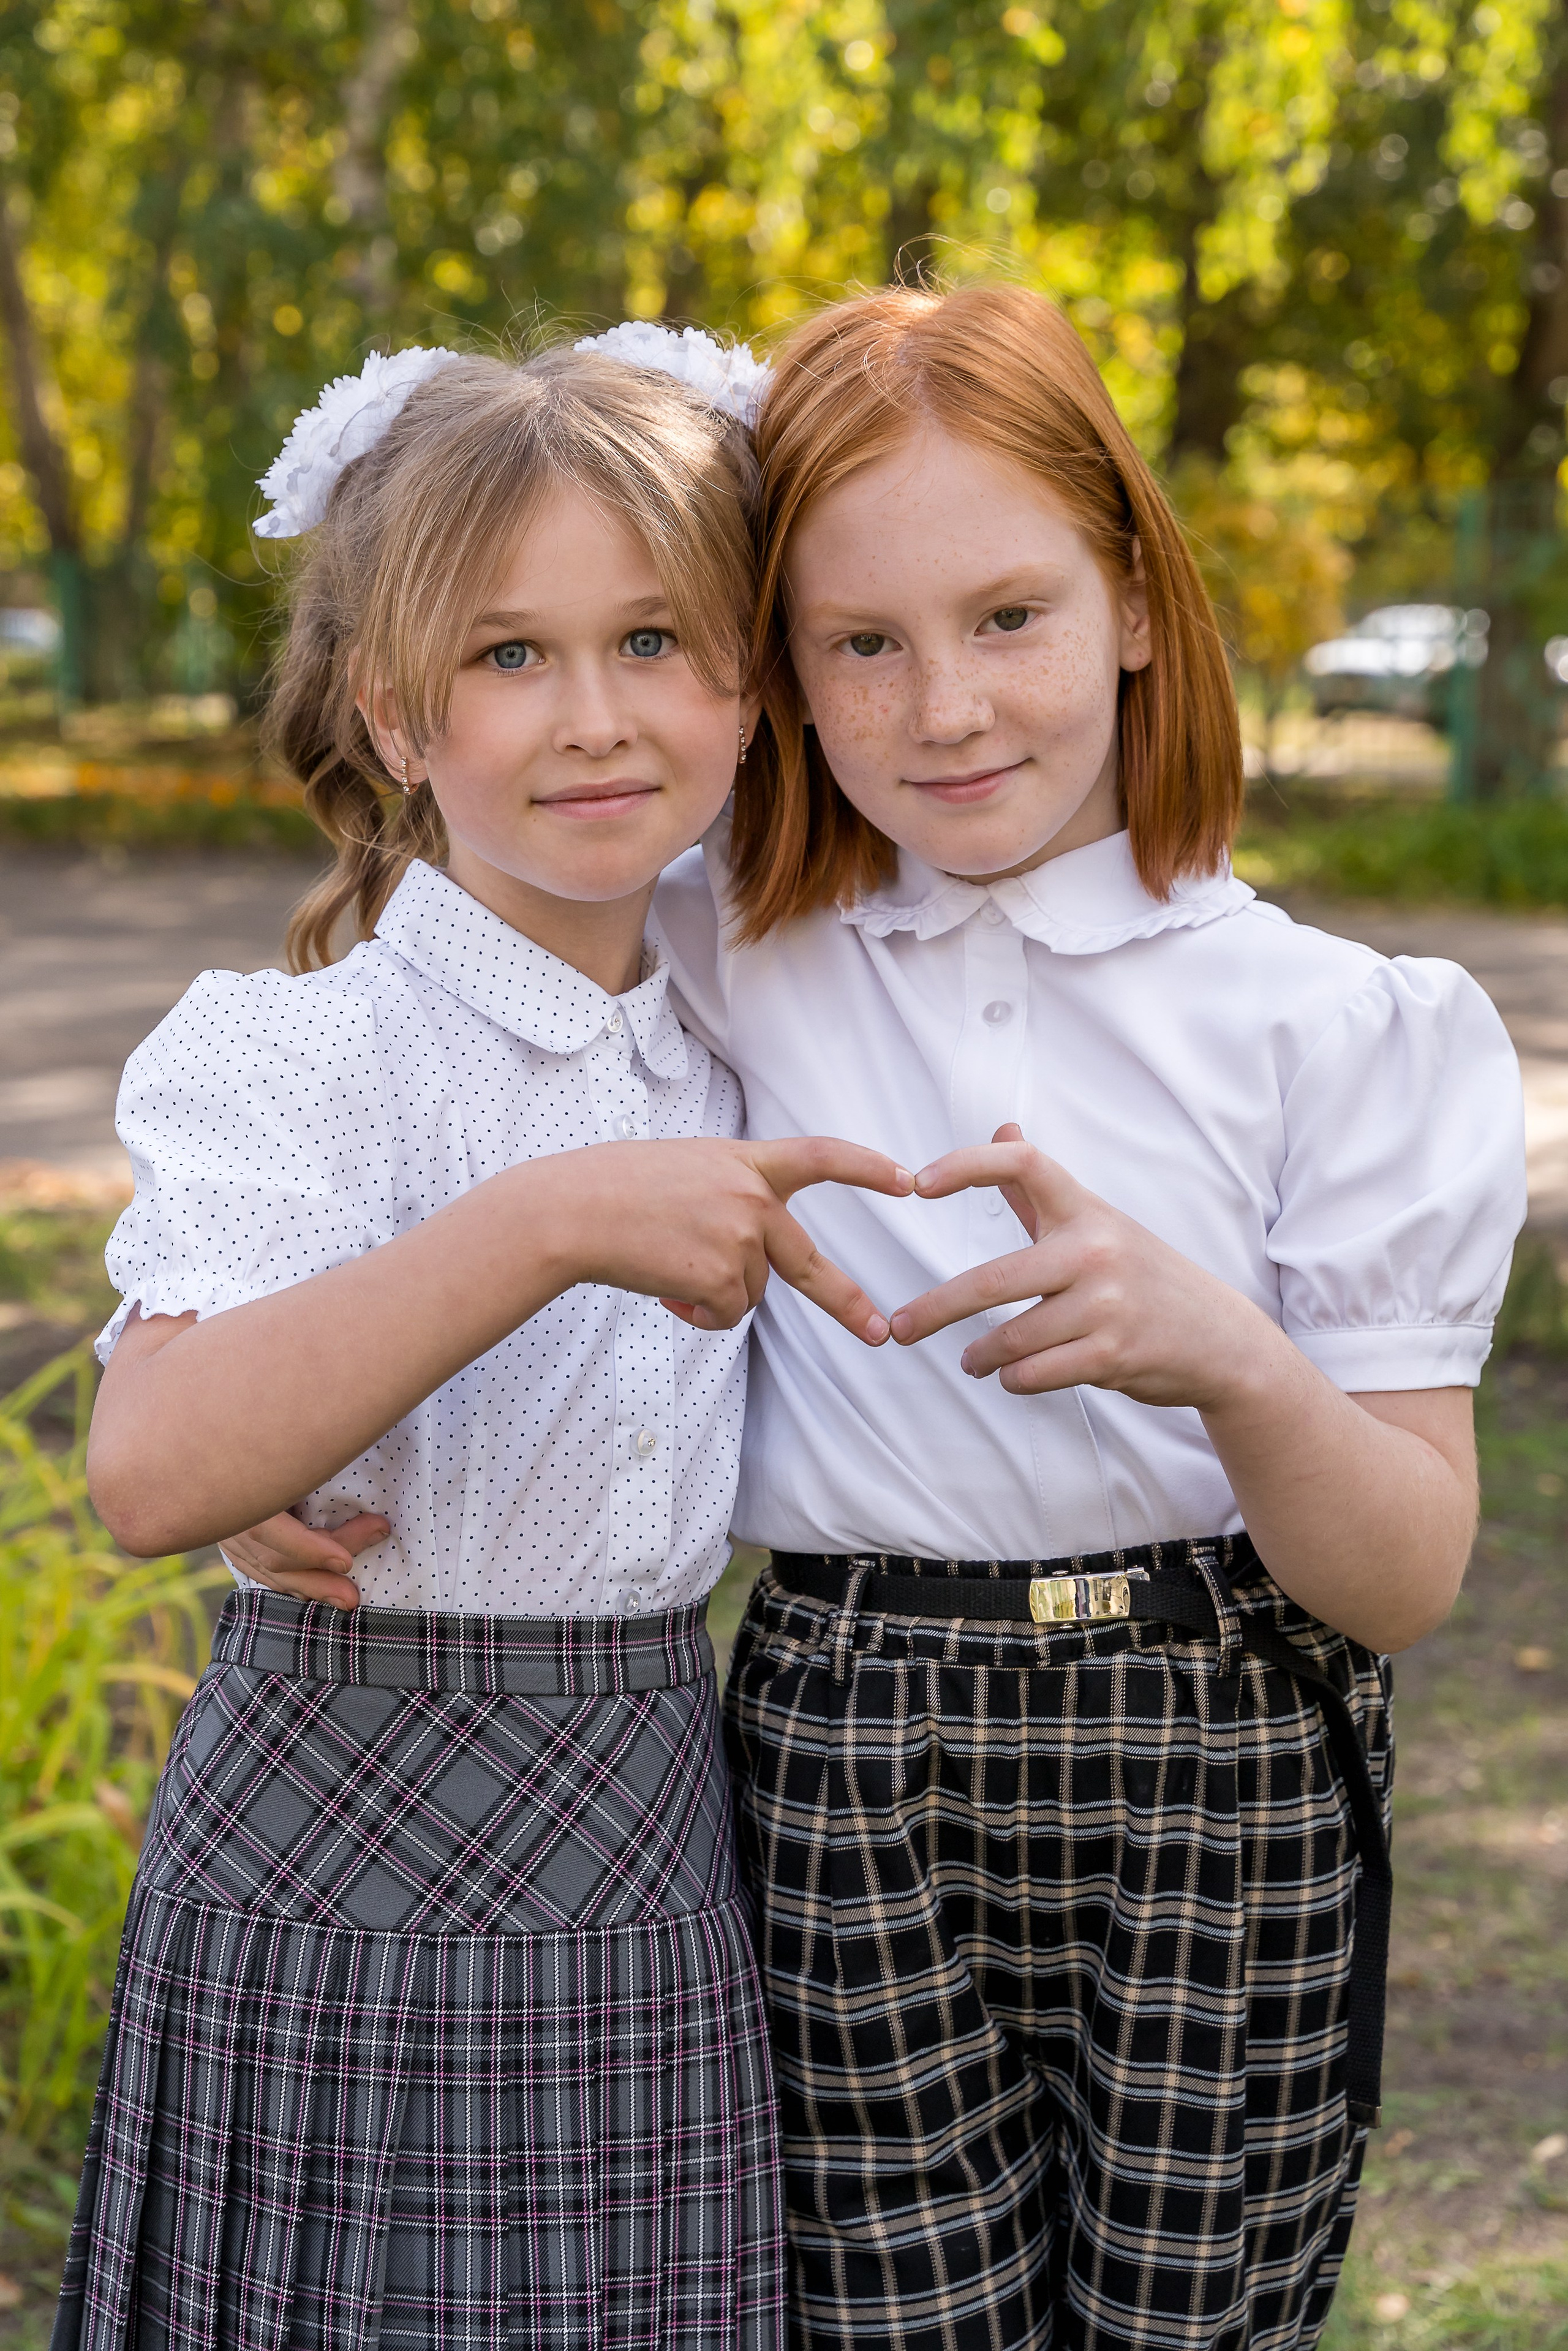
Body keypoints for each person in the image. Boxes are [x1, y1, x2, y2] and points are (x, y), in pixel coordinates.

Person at [215, 284, 1528, 2351]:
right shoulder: (714, 938)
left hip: (1227, 1737)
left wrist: (1232, 1360)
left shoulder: (1341, 1029)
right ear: (779, 675)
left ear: (1135, 603)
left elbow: (1407, 1576)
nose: (948, 707)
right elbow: (396, 1070)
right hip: (846, 1738)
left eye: (1010, 616)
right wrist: (262, 1430)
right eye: (862, 644)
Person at [53, 333, 915, 2351]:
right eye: (509, 654)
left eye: (654, 641)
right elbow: (156, 1473)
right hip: (334, 1843)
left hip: (646, 1836)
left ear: (749, 683)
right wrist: (540, 1228)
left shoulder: (752, 1019)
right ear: (391, 708)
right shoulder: (305, 1053)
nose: (594, 717)